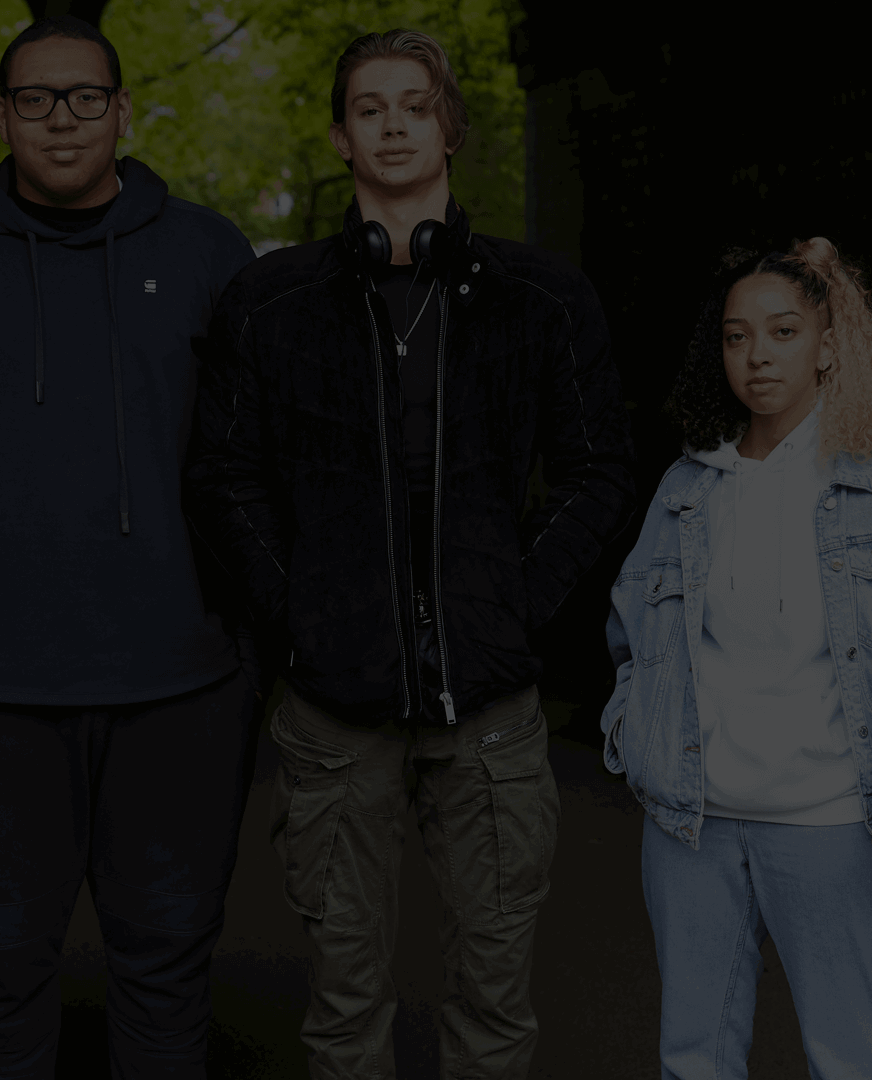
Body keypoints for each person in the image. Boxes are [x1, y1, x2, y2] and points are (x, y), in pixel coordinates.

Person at [186, 28, 638, 1080]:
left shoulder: (542, 299)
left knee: (494, 996)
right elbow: (223, 478)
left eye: (415, 104)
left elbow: (597, 472)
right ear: (341, 137)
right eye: (370, 108)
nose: (393, 124)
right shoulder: (272, 303)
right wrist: (305, 613)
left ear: (449, 128)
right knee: (344, 1002)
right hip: (333, 709)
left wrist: (515, 605)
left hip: (488, 707)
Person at [0, 14, 261, 1078]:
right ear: (0, 115)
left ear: (125, 111)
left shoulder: (211, 254)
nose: (63, 118)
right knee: (2, 968)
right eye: (36, 98)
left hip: (183, 684)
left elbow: (266, 463)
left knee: (168, 966)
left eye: (86, 96)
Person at [601, 238, 872, 1079]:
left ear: (828, 346)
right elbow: (633, 638)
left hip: (831, 827)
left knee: (848, 1061)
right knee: (693, 1061)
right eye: (737, 337)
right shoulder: (687, 486)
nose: (758, 356)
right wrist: (637, 732)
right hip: (690, 829)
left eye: (782, 331)